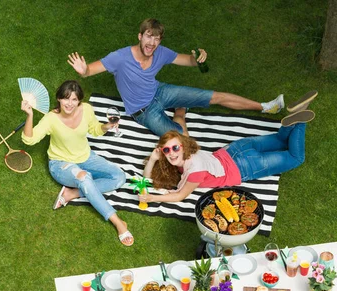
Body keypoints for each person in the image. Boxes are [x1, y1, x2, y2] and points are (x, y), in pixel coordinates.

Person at [66, 18, 313, 137]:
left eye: (156, 38)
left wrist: (199, 58)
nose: (152, 42)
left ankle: (266, 107)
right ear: (140, 36)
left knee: (215, 96)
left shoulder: (160, 52)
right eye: (148, 36)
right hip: (142, 111)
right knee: (182, 140)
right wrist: (83, 69)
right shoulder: (120, 57)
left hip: (160, 91)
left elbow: (188, 60)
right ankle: (180, 113)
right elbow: (90, 70)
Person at [21, 80, 133, 246]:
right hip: (61, 164)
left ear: (79, 100)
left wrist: (107, 126)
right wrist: (29, 115)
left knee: (119, 177)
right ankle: (117, 221)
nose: (70, 104)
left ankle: (71, 194)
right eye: (66, 99)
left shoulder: (86, 109)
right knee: (84, 178)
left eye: (74, 99)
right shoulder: (51, 118)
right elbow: (28, 139)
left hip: (86, 157)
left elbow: (94, 129)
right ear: (59, 98)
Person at [137, 107, 315, 204]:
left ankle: (299, 122)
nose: (172, 153)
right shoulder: (188, 146)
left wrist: (153, 198)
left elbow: (179, 196)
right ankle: (292, 119)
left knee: (295, 157)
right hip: (236, 148)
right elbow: (147, 178)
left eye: (175, 148)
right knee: (281, 140)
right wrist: (153, 158)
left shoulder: (195, 172)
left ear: (182, 146)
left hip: (245, 166)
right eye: (166, 150)